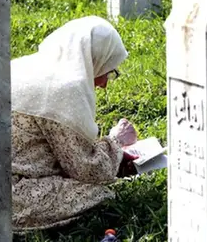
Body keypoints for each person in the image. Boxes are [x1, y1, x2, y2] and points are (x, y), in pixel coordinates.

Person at [11, 16, 139, 232]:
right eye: (107, 71)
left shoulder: (25, 65)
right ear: (92, 60)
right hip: (10, 197)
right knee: (100, 193)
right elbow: (89, 170)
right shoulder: (64, 90)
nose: (105, 83)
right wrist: (116, 142)